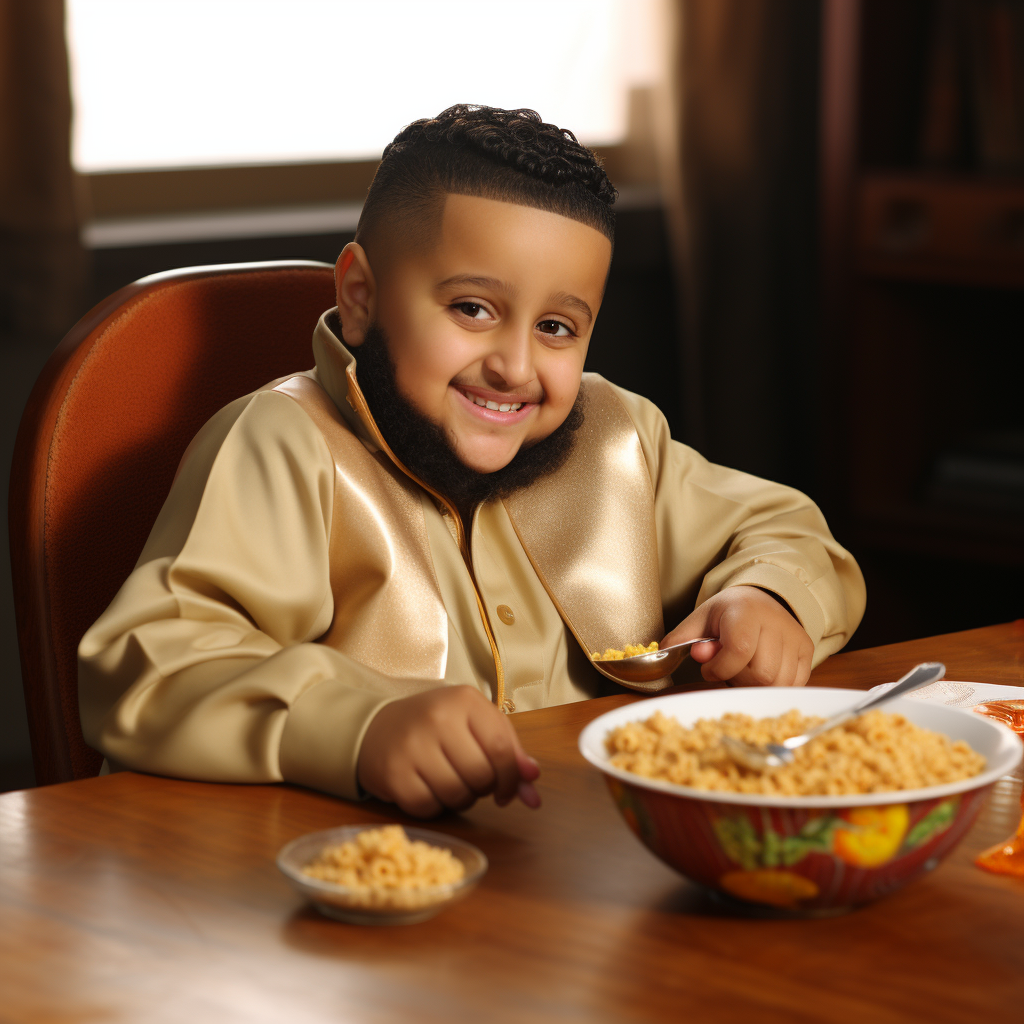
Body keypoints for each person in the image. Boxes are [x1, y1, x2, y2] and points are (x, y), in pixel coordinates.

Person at [78, 105, 865, 819]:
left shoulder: (617, 435)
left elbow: (783, 527)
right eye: (473, 309)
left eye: (557, 326)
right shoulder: (282, 446)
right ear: (360, 296)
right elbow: (152, 664)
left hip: (595, 884)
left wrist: (768, 598)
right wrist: (360, 723)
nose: (515, 366)